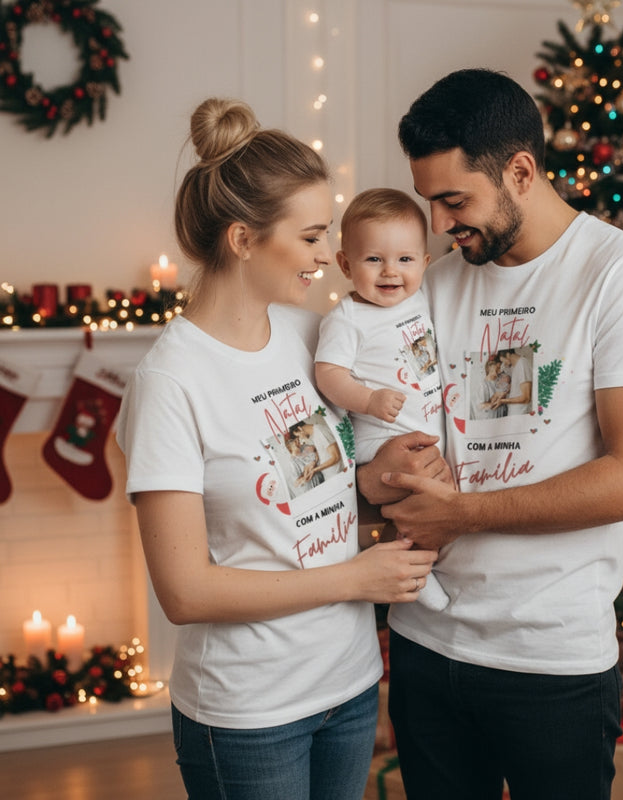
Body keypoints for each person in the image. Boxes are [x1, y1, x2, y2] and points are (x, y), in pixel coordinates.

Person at [356, 69, 623, 800]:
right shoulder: (434, 286)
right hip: (425, 649)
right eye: (428, 203)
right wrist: (382, 464)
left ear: (521, 171)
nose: (439, 224)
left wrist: (463, 513)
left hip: (552, 663)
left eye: (454, 200)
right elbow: (386, 432)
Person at [116, 98, 440, 800]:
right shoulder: (170, 381)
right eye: (314, 236)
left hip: (350, 684)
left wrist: (385, 477)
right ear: (242, 239)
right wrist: (357, 580)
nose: (331, 255)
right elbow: (185, 590)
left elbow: (326, 492)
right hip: (249, 713)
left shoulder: (311, 336)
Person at [315, 187, 450, 611]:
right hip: (380, 438)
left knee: (436, 502)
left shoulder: (420, 300)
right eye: (374, 259)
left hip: (426, 428)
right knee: (412, 502)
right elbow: (328, 373)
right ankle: (413, 572)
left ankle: (423, 563)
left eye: (405, 260)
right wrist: (369, 400)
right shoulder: (348, 318)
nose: (391, 272)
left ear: (425, 264)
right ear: (345, 264)